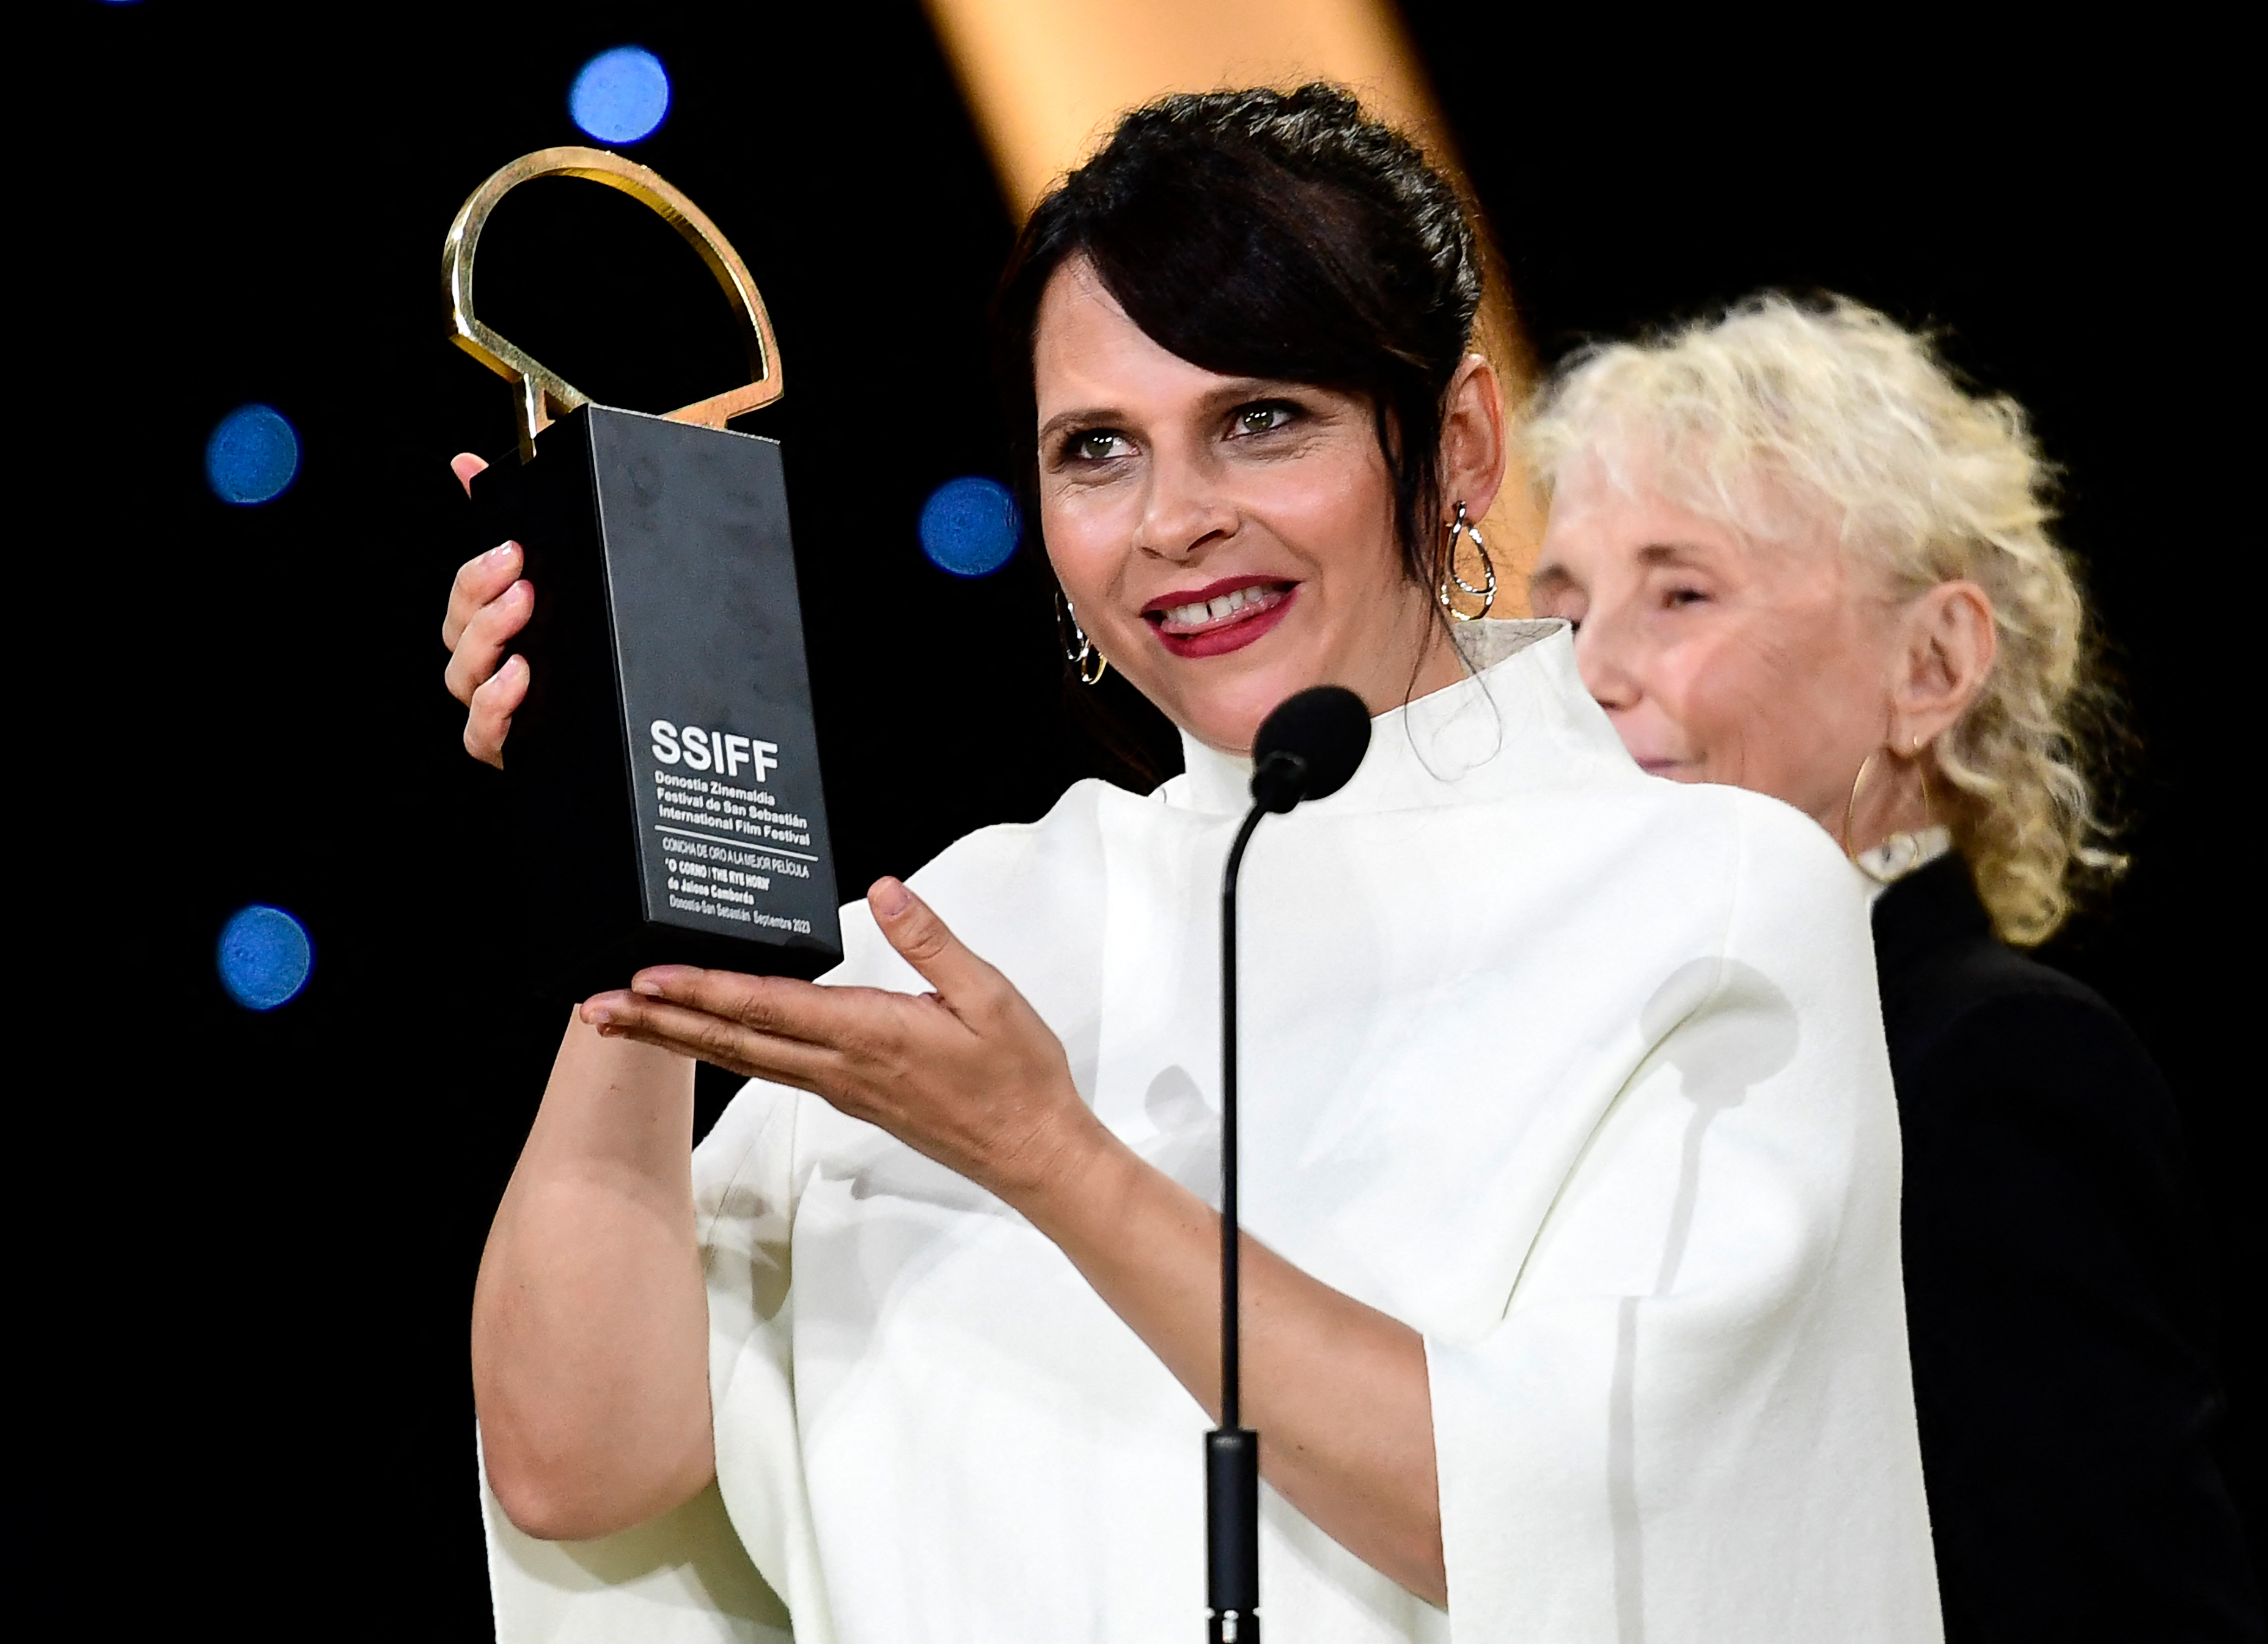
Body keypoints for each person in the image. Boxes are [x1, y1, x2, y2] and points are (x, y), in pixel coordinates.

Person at [443, 91, 1941, 1642]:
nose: (1175, 520)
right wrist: (617, 840)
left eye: (1260, 420)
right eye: (1097, 450)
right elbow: (585, 1463)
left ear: (1458, 445)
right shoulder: (970, 918)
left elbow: (1585, 1519)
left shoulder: (1706, 900)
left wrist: (1052, 1159)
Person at [1522, 295, 2262, 1642]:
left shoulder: (1989, 1066)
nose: (1588, 671)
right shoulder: (1630, 1062)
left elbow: (2117, 1612)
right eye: (1561, 605)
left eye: (1679, 591)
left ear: (1931, 665)